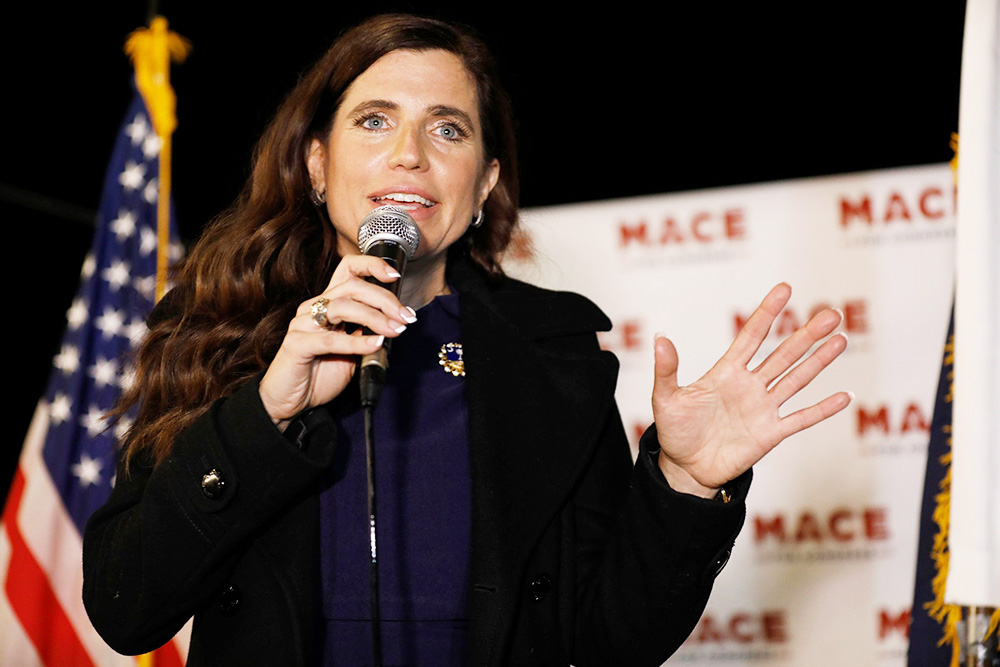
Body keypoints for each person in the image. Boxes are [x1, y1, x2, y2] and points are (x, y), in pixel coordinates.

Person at [82, 13, 850, 666]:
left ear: (483, 184)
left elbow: (615, 638)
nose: (409, 152)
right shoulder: (222, 333)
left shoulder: (557, 356)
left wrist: (683, 482)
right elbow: (126, 608)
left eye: (446, 128)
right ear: (317, 164)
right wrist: (266, 413)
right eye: (374, 120)